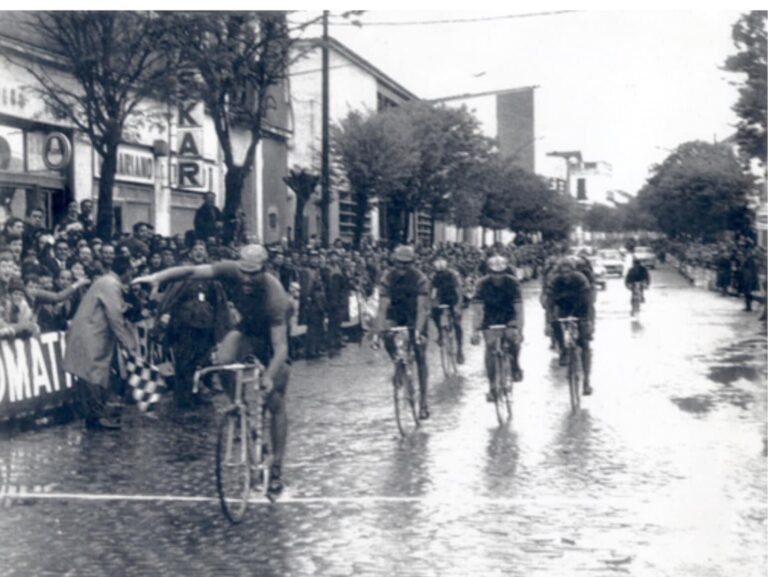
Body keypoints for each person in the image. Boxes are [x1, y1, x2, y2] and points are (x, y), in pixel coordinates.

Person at [134, 243, 292, 495]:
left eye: (254, 274)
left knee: (275, 399)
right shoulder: (230, 270)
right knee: (223, 360)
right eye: (244, 272)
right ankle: (241, 411)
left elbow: (281, 347)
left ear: (265, 270)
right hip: (248, 329)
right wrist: (158, 277)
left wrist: (269, 377)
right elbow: (190, 271)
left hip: (273, 338)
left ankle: (276, 469)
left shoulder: (275, 296)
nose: (247, 279)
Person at [63, 255, 139, 430]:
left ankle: (96, 416)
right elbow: (115, 318)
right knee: (92, 375)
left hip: (91, 333)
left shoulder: (107, 282)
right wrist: (127, 343)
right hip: (91, 335)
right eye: (131, 271)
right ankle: (95, 418)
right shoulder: (111, 285)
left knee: (94, 375)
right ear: (127, 271)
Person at [156, 240, 231, 408]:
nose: (198, 252)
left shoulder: (210, 275)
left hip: (205, 325)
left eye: (201, 249)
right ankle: (183, 397)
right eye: (195, 249)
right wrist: (166, 313)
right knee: (184, 361)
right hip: (185, 325)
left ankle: (199, 392)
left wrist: (220, 325)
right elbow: (172, 298)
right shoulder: (183, 273)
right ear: (190, 253)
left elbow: (218, 300)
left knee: (203, 360)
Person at [375, 245, 431, 420]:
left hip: (415, 315)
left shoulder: (420, 278)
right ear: (394, 262)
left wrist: (418, 331)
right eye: (399, 264)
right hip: (396, 314)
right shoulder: (387, 278)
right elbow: (382, 308)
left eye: (406, 264)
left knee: (420, 354)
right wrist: (378, 332)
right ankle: (398, 362)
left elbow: (422, 308)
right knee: (387, 335)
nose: (402, 268)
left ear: (412, 263)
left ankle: (423, 401)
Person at [470, 255, 524, 402]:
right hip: (490, 315)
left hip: (508, 315)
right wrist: (475, 331)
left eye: (501, 273)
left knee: (513, 339)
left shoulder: (513, 283)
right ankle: (492, 386)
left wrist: (519, 330)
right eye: (494, 272)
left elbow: (519, 309)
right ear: (489, 272)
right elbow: (478, 310)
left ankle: (515, 365)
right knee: (490, 347)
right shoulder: (481, 284)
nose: (497, 276)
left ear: (505, 271)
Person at [547, 256, 595, 396]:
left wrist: (589, 322)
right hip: (563, 308)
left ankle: (586, 381)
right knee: (556, 323)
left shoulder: (580, 279)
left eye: (568, 272)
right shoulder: (555, 281)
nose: (566, 275)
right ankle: (563, 350)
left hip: (581, 308)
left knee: (584, 344)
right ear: (559, 273)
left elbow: (588, 303)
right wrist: (549, 322)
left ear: (573, 272)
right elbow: (550, 303)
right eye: (562, 272)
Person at [429, 256, 465, 365]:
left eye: (442, 273)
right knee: (434, 313)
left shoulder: (453, 276)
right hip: (442, 298)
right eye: (438, 273)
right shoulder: (434, 277)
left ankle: (459, 349)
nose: (440, 275)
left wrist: (458, 306)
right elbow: (433, 293)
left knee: (457, 324)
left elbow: (458, 291)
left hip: (453, 298)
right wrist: (432, 304)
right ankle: (440, 333)